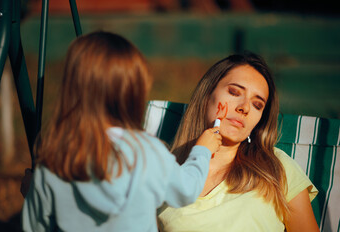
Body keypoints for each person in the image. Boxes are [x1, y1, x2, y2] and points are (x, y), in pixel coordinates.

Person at [21, 31, 223, 232]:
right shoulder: (145, 153)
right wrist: (202, 151)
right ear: (132, 95)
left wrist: (33, 193)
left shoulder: (55, 160)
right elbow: (185, 191)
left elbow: (35, 227)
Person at [157, 52, 319, 231]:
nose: (245, 107)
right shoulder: (162, 172)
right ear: (206, 96)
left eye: (257, 105)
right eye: (234, 92)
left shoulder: (276, 168)